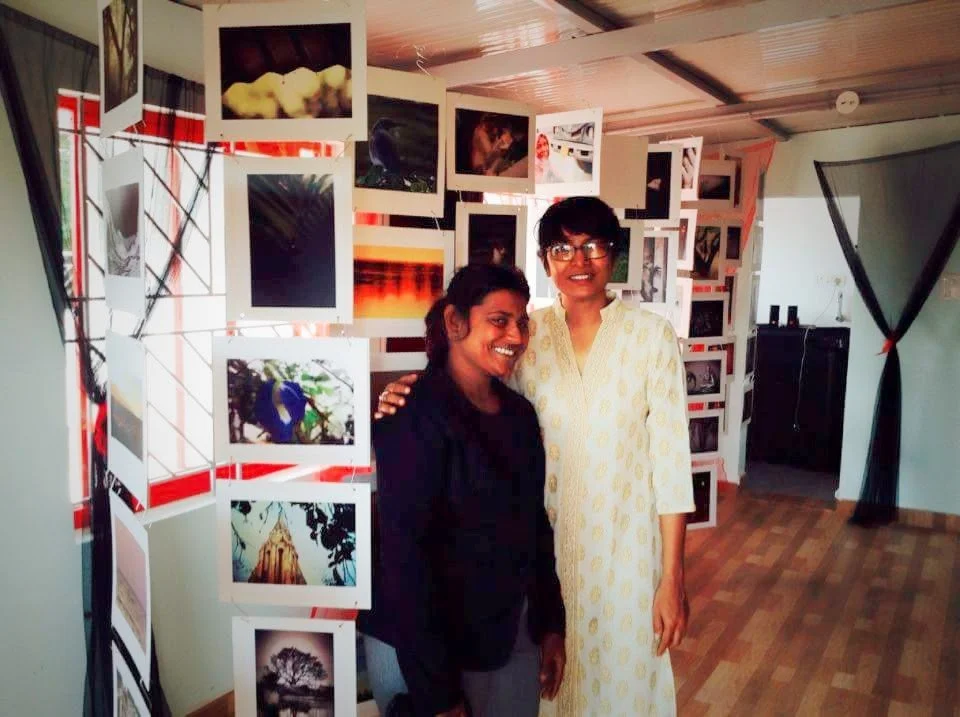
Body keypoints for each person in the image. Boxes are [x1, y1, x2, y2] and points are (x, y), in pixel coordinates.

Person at [377, 196, 695, 715]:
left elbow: (672, 464)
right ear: (546, 260)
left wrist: (672, 578)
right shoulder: (528, 332)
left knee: (624, 689)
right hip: (544, 557)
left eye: (592, 246)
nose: (579, 261)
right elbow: (475, 398)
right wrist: (408, 392)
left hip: (627, 556)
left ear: (613, 254)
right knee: (548, 693)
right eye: (562, 248)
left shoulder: (651, 338)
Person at [360, 263, 567, 717]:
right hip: (426, 652)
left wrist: (551, 624)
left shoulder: (518, 415)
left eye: (522, 322)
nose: (515, 334)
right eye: (499, 319)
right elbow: (405, 558)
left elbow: (535, 525)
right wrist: (438, 694)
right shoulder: (413, 414)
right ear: (455, 322)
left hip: (506, 635)